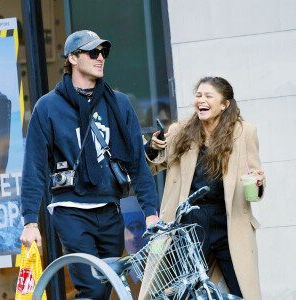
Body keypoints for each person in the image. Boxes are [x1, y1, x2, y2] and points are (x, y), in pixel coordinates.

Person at [20, 30, 158, 300]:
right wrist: (29, 221)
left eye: (103, 53)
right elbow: (34, 168)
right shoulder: (48, 107)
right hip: (71, 210)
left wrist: (150, 212)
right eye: (92, 52)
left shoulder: (119, 103)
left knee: (105, 289)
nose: (100, 58)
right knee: (93, 289)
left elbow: (136, 163)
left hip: (109, 209)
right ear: (72, 58)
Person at [142, 77, 266, 300]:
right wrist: (152, 148)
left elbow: (255, 184)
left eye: (209, 96)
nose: (201, 100)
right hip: (190, 222)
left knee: (241, 290)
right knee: (186, 289)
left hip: (229, 221)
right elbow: (152, 166)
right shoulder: (181, 131)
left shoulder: (244, 132)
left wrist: (257, 183)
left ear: (224, 104)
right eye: (198, 95)